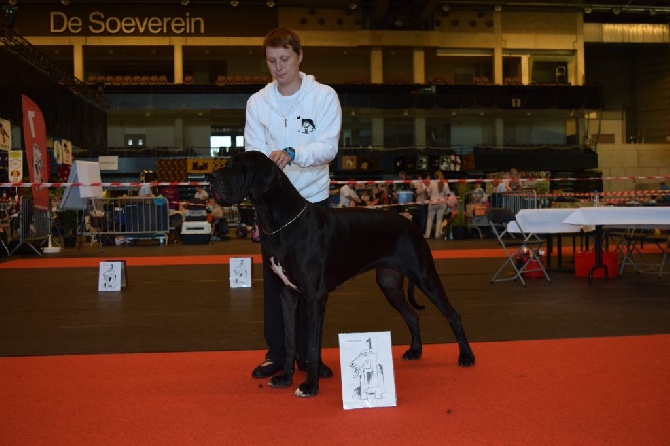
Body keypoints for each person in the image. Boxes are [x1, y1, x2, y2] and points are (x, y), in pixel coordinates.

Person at [243, 27, 342, 380]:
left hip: (313, 204)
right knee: (276, 284)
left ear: (300, 56)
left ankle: (309, 356)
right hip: (274, 213)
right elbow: (253, 155)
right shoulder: (257, 102)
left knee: (313, 286)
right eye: (271, 61)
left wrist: (293, 153)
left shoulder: (324, 97)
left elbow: (329, 147)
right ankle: (278, 355)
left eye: (284, 59)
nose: (278, 67)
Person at [425, 170, 450, 239]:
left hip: (433, 203)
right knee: (439, 220)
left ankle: (427, 235)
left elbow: (428, 192)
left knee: (430, 219)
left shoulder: (432, 183)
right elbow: (448, 194)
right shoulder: (445, 184)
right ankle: (437, 235)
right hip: (441, 203)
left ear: (435, 176)